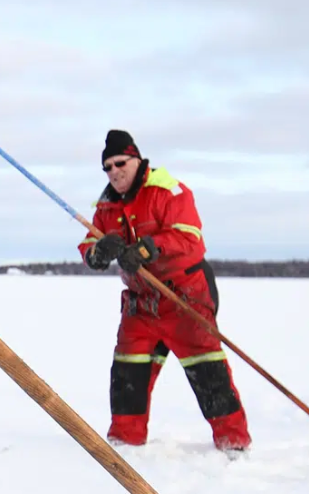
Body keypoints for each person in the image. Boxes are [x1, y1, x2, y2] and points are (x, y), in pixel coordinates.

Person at [80, 130, 251, 452]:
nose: (114, 171)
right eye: (107, 167)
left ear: (137, 160)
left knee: (207, 371)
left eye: (120, 163)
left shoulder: (168, 191)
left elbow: (190, 239)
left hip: (185, 298)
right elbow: (89, 245)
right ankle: (124, 447)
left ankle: (234, 446)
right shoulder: (106, 207)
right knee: (127, 373)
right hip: (140, 305)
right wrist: (98, 253)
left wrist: (148, 249)